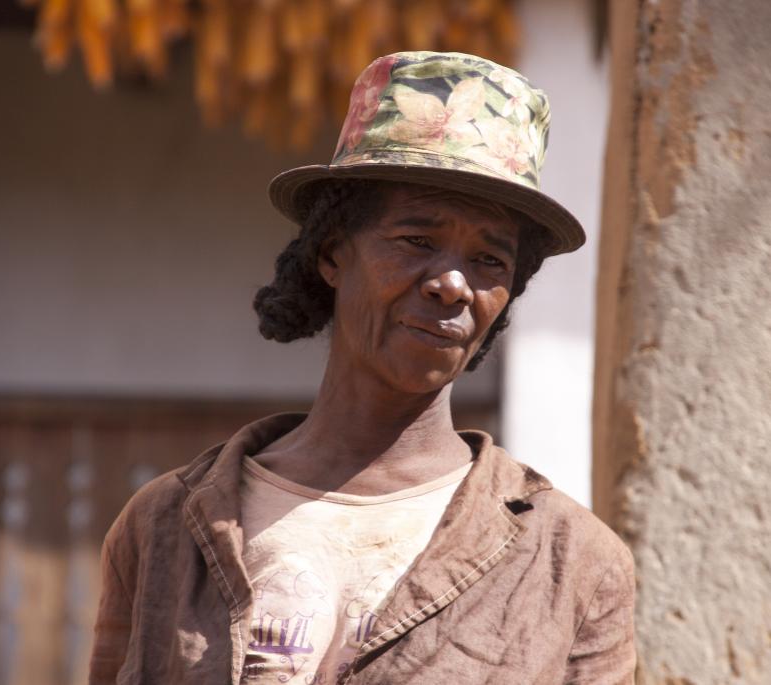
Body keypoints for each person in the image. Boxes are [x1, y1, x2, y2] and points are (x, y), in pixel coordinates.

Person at [89, 51, 635, 685]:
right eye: (416, 241)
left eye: (490, 260)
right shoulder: (164, 529)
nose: (454, 283)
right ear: (332, 256)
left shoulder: (573, 562)